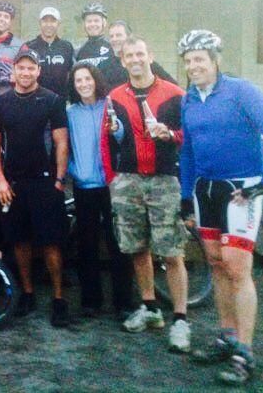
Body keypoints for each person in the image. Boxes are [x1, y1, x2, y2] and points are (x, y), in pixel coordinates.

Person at [178, 30, 263, 384]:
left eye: (200, 59)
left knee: (238, 269)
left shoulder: (241, 90)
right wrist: (184, 197)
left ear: (215, 61)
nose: (194, 66)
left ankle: (246, 351)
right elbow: (188, 151)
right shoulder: (189, 99)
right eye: (189, 60)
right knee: (216, 264)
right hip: (205, 190)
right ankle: (227, 336)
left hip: (240, 190)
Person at [100, 34, 190, 352]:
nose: (135, 60)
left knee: (172, 252)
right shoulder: (114, 96)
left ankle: (180, 319)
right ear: (122, 61)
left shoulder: (175, 94)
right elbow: (108, 140)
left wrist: (172, 134)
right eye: (129, 56)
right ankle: (150, 308)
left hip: (164, 180)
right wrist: (113, 179)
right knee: (137, 248)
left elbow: (189, 138)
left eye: (140, 54)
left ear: (150, 55)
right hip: (128, 180)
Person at [0, 49, 70, 327]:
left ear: (38, 71)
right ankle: (28, 293)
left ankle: (59, 298)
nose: (25, 72)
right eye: (20, 68)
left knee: (51, 242)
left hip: (46, 182)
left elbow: (61, 142)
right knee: (20, 241)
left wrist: (59, 179)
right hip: (13, 182)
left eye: (30, 68)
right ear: (14, 72)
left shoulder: (52, 100)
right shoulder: (1, 103)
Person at [66, 62, 134, 318]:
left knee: (117, 244)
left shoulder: (111, 105)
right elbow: (66, 146)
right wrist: (73, 170)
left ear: (96, 80)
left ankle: (123, 302)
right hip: (84, 186)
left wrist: (117, 131)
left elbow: (123, 139)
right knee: (87, 246)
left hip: (111, 185)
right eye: (78, 81)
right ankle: (90, 301)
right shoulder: (71, 112)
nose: (83, 84)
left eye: (87, 79)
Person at [101, 20, 176, 89]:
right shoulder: (105, 66)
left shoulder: (145, 63)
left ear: (129, 37)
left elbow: (172, 85)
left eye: (118, 35)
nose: (114, 39)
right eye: (111, 36)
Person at [21, 6, 74, 96]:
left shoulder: (67, 46)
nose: (49, 24)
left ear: (58, 23)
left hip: (60, 100)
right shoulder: (29, 47)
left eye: (53, 21)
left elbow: (71, 75)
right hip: (35, 100)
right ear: (40, 23)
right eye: (45, 21)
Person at [0, 1, 24, 97]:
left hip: (9, 102)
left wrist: (9, 77)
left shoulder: (20, 46)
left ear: (11, 21)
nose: (2, 19)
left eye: (6, 17)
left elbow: (28, 75)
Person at [75, 2, 114, 69]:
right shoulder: (78, 51)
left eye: (96, 21)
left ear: (104, 23)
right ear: (84, 24)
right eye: (89, 21)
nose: (92, 24)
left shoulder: (112, 47)